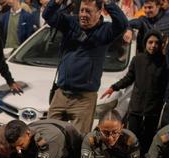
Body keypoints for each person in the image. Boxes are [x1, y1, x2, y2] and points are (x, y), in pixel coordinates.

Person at [43, 0, 127, 134]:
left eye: (88, 11)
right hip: (61, 93)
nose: (83, 14)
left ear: (99, 13)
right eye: (82, 10)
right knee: (49, 134)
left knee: (77, 141)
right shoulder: (71, 23)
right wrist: (56, 2)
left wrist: (108, 3)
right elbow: (48, 15)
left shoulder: (105, 31)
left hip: (84, 99)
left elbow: (122, 24)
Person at [102, 30, 167, 153]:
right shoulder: (137, 59)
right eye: (150, 42)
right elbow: (129, 78)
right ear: (145, 43)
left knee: (148, 138)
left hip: (153, 108)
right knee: (131, 137)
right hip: (136, 106)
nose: (153, 45)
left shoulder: (164, 61)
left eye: (156, 43)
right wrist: (114, 87)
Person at [7, 118, 84, 158]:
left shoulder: (49, 141)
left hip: (76, 154)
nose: (18, 149)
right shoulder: (26, 130)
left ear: (28, 133)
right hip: (59, 142)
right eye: (15, 146)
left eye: (21, 144)